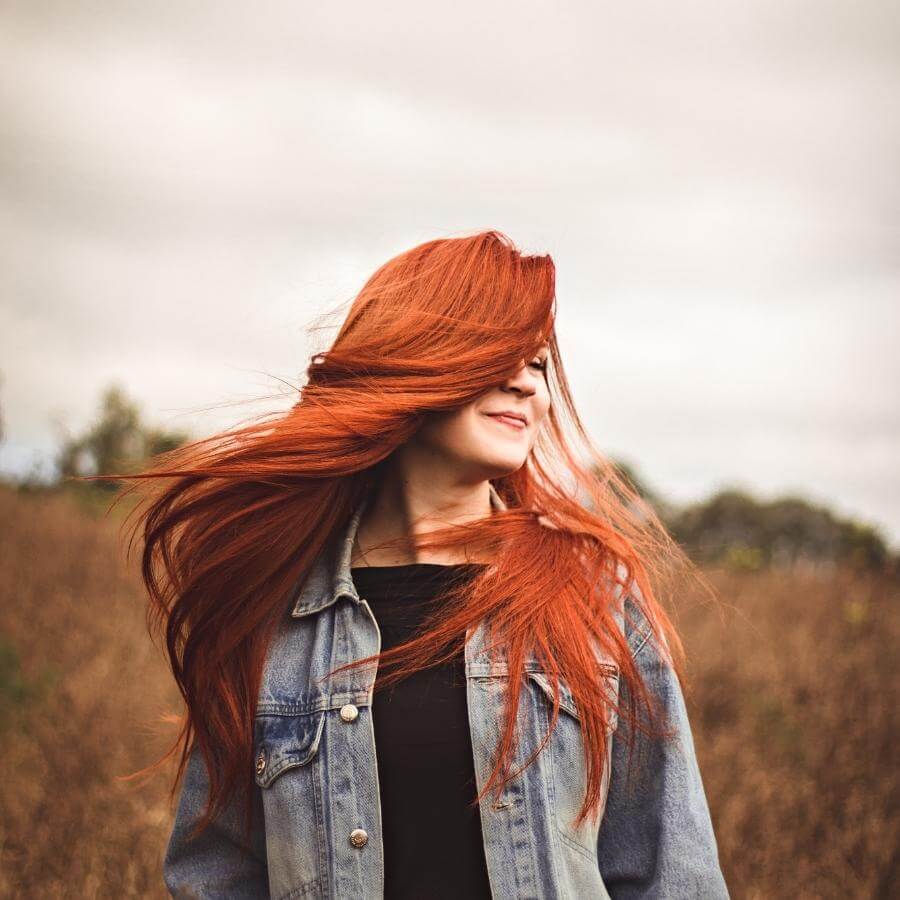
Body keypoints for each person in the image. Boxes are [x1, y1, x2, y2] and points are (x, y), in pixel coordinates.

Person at [122, 230, 728, 897]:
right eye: (501, 353)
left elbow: (671, 875)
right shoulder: (274, 613)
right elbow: (217, 876)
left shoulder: (594, 594)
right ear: (415, 359)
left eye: (539, 364)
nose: (527, 384)